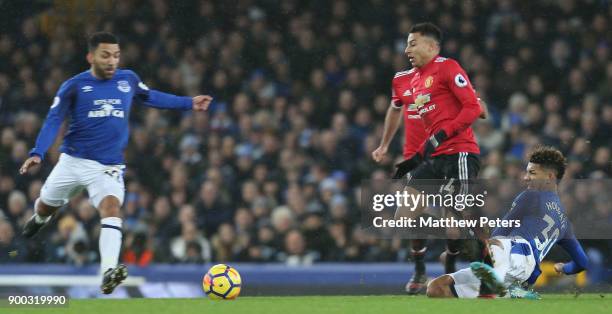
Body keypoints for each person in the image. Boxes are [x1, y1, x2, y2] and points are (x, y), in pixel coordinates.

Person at [18, 32, 213, 294]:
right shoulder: (74, 86)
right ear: (91, 57)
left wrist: (188, 103)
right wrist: (38, 152)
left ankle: (108, 271)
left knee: (111, 208)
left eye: (116, 55)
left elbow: (151, 96)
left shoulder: (127, 79)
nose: (112, 61)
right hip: (73, 162)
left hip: (107, 167)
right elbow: (53, 120)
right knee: (45, 205)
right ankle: (40, 219)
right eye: (106, 55)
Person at [376, 22, 490, 295]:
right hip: (433, 158)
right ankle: (459, 241)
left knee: (456, 225)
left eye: (412, 43)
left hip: (459, 154)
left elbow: (474, 107)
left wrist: (445, 132)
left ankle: (486, 275)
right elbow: (406, 112)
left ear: (431, 46)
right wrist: (407, 155)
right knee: (404, 216)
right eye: (406, 44)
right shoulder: (411, 80)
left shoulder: (448, 67)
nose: (406, 50)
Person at [426, 146, 588, 299]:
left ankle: (500, 285)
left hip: (513, 253)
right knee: (435, 288)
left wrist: (477, 248)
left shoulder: (531, 195)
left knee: (475, 239)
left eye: (532, 172)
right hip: (521, 267)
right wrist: (563, 268)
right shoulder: (565, 224)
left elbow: (501, 232)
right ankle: (511, 292)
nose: (526, 177)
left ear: (550, 177)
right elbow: (582, 262)